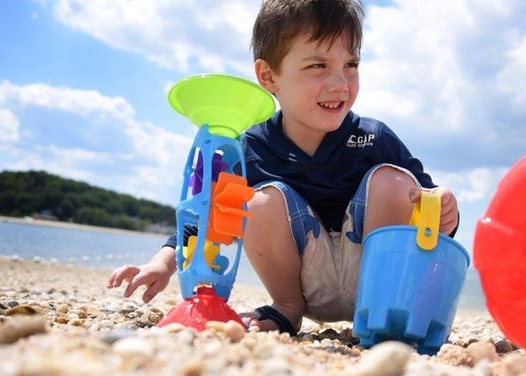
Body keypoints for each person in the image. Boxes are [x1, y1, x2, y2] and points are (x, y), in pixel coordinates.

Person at [106, 0, 459, 336]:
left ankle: (384, 313)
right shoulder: (251, 148)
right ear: (269, 76)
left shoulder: (374, 137)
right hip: (304, 286)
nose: (340, 83)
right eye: (318, 66)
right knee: (253, 200)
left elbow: (429, 206)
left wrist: (444, 208)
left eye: (350, 65)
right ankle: (285, 308)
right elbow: (205, 212)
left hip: (376, 278)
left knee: (395, 182)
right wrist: (163, 263)